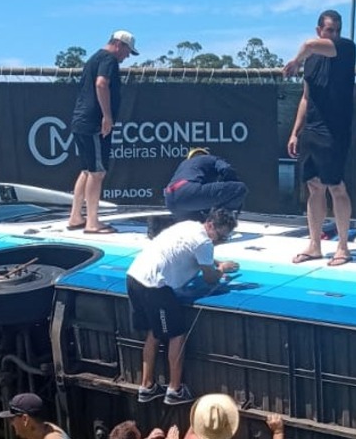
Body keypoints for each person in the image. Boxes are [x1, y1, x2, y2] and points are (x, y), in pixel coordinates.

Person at [126, 208, 240, 406]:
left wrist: (215, 261)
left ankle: (147, 386)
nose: (218, 242)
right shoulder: (205, 243)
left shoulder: (189, 226)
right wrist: (222, 269)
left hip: (134, 277)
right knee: (176, 334)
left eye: (224, 239)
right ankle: (175, 389)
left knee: (154, 331)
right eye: (220, 237)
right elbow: (209, 277)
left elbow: (195, 251)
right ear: (211, 225)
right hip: (155, 286)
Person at [283, 9, 356, 266]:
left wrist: (295, 60)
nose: (334, 34)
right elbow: (306, 97)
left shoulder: (346, 48)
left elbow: (307, 44)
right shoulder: (312, 61)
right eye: (329, 30)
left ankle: (343, 247)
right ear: (319, 29)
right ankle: (314, 245)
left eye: (337, 29)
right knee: (314, 187)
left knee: (336, 187)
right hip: (312, 130)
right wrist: (295, 132)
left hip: (335, 130)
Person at [66, 30, 139, 235]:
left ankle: (75, 217)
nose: (126, 57)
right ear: (118, 45)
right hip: (93, 123)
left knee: (87, 170)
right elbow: (101, 83)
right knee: (98, 173)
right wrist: (107, 116)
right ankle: (92, 222)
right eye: (127, 52)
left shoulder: (94, 58)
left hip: (81, 121)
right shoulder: (108, 59)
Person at [163, 148, 247, 221]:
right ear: (205, 155)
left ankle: (158, 227)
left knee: (202, 223)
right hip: (189, 191)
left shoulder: (183, 164)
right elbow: (226, 169)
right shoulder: (210, 159)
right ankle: (223, 222)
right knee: (240, 189)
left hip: (169, 199)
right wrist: (229, 186)